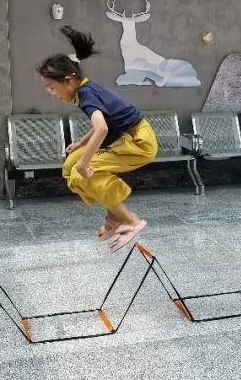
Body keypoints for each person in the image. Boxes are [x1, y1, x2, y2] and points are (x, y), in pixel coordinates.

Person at [38, 26, 156, 252]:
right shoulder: (85, 89)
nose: (52, 94)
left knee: (82, 173)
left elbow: (101, 128)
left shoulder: (86, 94)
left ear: (68, 80)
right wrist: (80, 145)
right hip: (126, 137)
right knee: (71, 165)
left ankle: (129, 220)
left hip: (137, 142)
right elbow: (103, 123)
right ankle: (113, 217)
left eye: (51, 88)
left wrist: (84, 164)